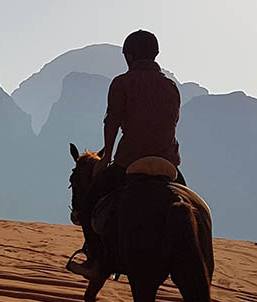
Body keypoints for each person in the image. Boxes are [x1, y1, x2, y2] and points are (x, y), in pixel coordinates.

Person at [70, 30, 186, 279]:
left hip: (129, 161)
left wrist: (106, 158)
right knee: (192, 208)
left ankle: (94, 261)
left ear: (130, 56)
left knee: (90, 203)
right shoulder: (171, 87)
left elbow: (111, 122)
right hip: (168, 163)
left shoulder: (122, 83)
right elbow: (171, 123)